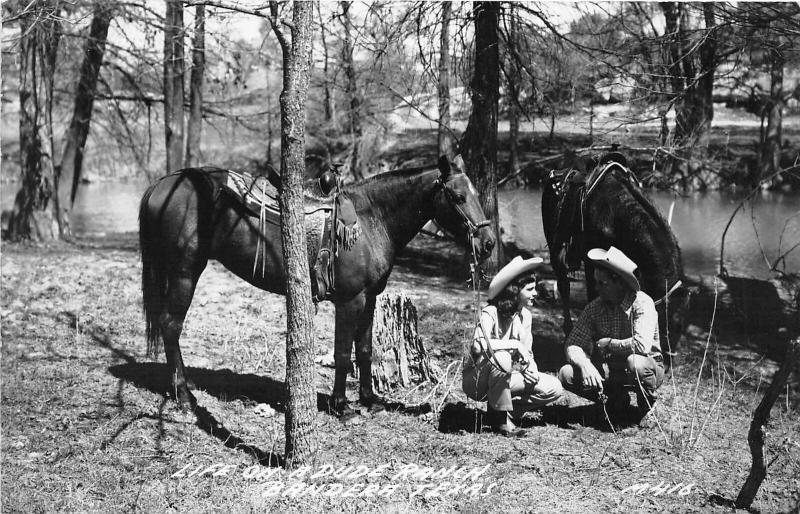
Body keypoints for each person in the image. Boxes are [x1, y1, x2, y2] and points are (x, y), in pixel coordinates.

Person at [557, 246, 665, 426]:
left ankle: (648, 406)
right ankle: (615, 399)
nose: (597, 288)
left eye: (603, 283)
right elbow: (572, 344)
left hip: (647, 368)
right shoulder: (594, 308)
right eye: (596, 282)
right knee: (566, 373)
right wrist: (585, 364)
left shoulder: (642, 303)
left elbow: (641, 346)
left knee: (635, 362)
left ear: (620, 283)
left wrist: (609, 344)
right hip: (612, 371)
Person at [463, 256, 564, 437]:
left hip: (504, 378)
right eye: (530, 289)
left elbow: (528, 351)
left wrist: (530, 368)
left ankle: (499, 411)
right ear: (515, 290)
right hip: (477, 381)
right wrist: (513, 344)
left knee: (554, 387)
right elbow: (480, 346)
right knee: (501, 358)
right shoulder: (491, 312)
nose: (535, 294)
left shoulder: (525, 316)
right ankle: (501, 421)